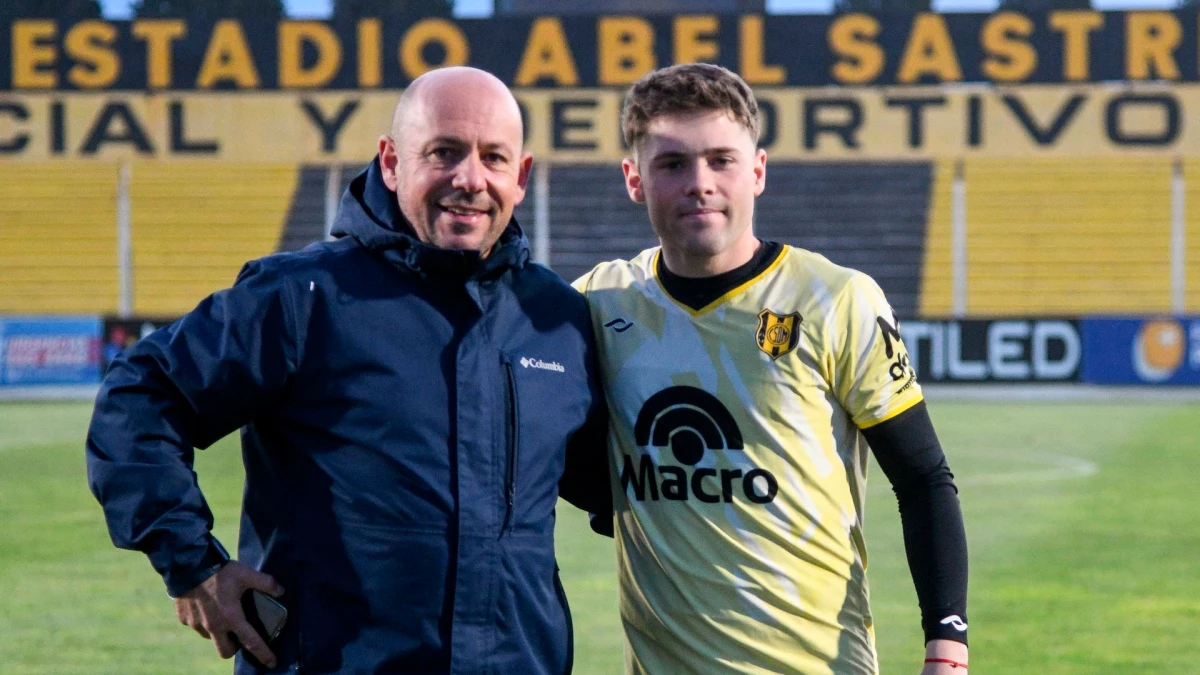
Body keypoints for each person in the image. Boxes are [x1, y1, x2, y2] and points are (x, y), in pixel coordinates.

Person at [86, 66, 607, 675]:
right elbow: (139, 398)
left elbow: (623, 487)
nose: (470, 179)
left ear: (521, 177)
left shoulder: (556, 318)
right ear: (391, 162)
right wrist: (193, 564)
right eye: (443, 152)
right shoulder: (300, 296)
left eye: (494, 158)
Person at [573, 63, 969, 674]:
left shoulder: (836, 299)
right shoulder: (600, 302)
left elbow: (922, 478)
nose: (699, 183)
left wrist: (947, 643)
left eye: (721, 160)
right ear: (634, 178)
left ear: (757, 171)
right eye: (672, 164)